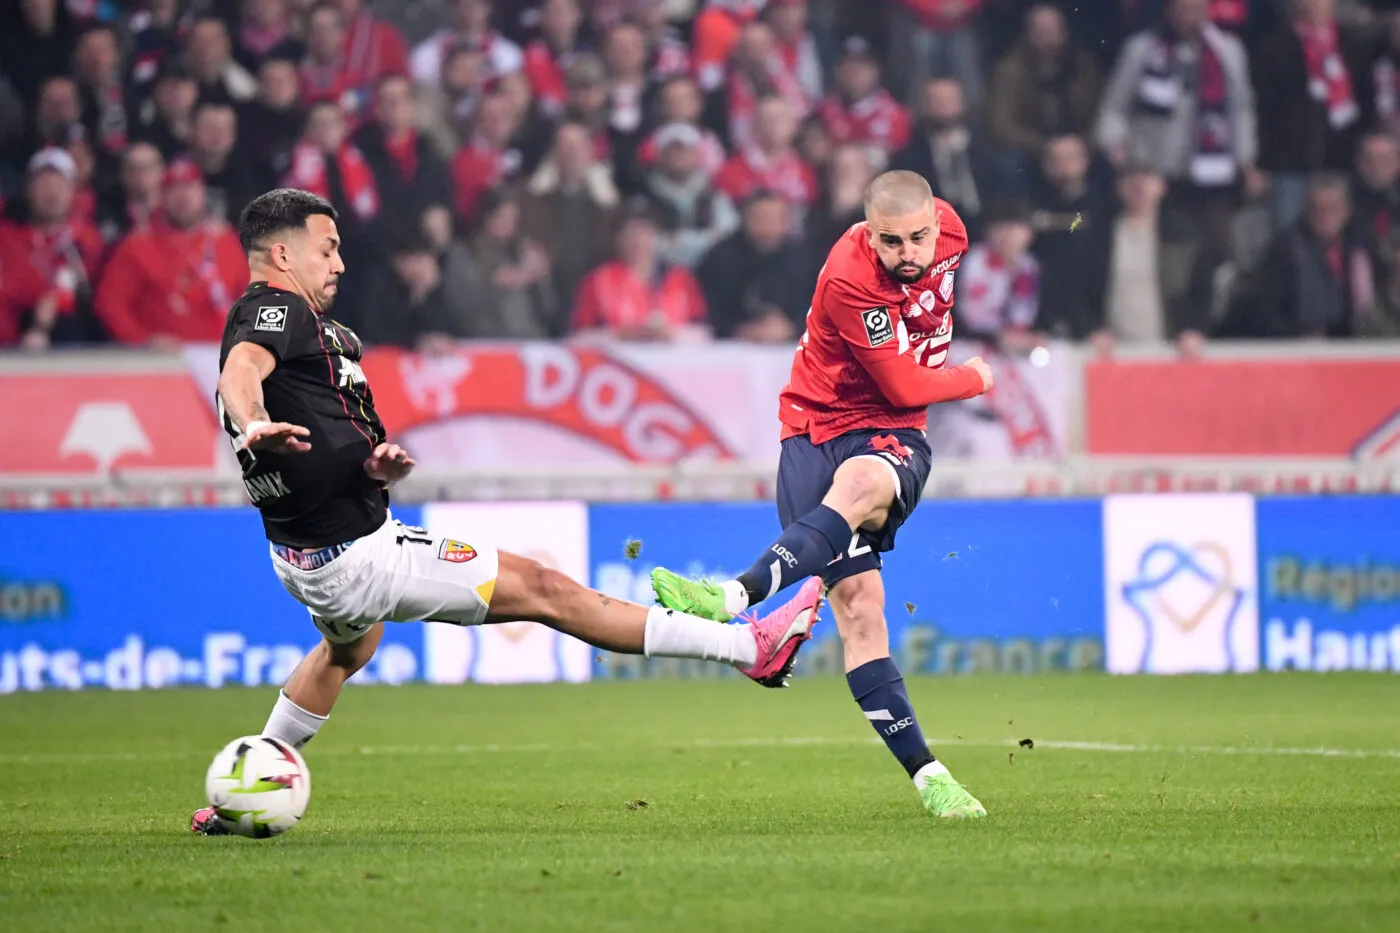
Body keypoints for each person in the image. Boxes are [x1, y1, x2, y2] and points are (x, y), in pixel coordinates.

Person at [190, 188, 823, 834]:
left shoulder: (299, 329)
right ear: (281, 252)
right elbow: (242, 370)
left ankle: (241, 795)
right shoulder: (273, 309)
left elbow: (299, 415)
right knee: (549, 590)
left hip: (304, 554)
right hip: (359, 556)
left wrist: (366, 467)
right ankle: (748, 646)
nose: (340, 264)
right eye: (327, 249)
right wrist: (253, 422)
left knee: (346, 652)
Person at [647, 171, 994, 820]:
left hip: (889, 435)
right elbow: (901, 383)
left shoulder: (952, 231)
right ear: (869, 232)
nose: (910, 253)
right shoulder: (850, 277)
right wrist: (973, 378)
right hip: (814, 430)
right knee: (860, 611)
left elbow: (899, 403)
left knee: (864, 486)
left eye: (919, 237)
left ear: (935, 224)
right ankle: (930, 777)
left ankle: (731, 595)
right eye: (892, 242)